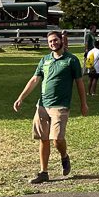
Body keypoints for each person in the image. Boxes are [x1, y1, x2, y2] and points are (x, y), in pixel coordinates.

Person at [12, 30, 88, 184]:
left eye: (55, 40)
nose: (53, 43)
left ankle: (64, 156)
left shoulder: (71, 60)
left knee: (57, 139)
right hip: (42, 105)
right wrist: (20, 98)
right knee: (43, 139)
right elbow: (34, 80)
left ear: (61, 40)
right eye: (50, 42)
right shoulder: (45, 60)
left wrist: (83, 103)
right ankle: (43, 172)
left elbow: (79, 83)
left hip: (60, 106)